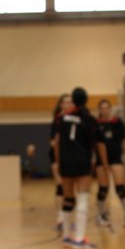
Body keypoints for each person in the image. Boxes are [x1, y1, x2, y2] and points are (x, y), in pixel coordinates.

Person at [53, 87, 107, 249]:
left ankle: (66, 238)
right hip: (82, 160)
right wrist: (104, 164)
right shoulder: (89, 119)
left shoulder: (62, 118)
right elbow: (100, 144)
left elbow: (57, 142)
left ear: (73, 100)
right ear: (86, 100)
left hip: (66, 161)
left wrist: (58, 162)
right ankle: (79, 239)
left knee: (68, 199)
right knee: (83, 197)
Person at [95, 98, 125, 228]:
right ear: (99, 110)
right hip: (101, 160)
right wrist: (102, 163)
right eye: (102, 108)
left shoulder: (118, 122)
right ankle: (101, 215)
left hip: (116, 158)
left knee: (120, 188)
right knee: (103, 189)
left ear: (110, 109)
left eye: (107, 108)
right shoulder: (96, 124)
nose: (105, 110)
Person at [50, 93, 72, 231]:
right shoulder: (57, 120)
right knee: (60, 186)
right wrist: (58, 159)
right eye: (65, 102)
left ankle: (66, 216)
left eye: (70, 102)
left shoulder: (76, 119)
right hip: (58, 156)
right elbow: (53, 141)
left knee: (69, 189)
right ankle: (60, 217)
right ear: (61, 104)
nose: (68, 104)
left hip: (72, 157)